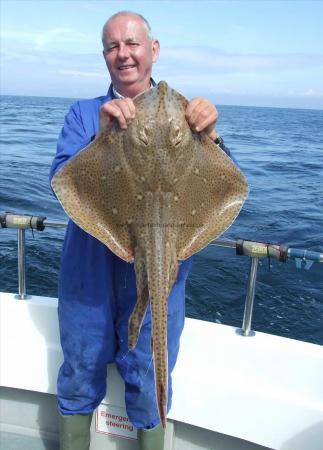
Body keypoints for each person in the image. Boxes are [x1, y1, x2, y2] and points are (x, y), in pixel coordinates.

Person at [50, 11, 233, 450]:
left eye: (132, 43)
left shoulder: (188, 118)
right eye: (113, 46)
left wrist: (212, 136)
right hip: (89, 275)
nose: (123, 53)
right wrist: (103, 137)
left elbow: (229, 184)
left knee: (151, 374)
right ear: (104, 57)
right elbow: (63, 179)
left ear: (153, 51)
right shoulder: (85, 114)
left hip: (163, 266)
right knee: (79, 368)